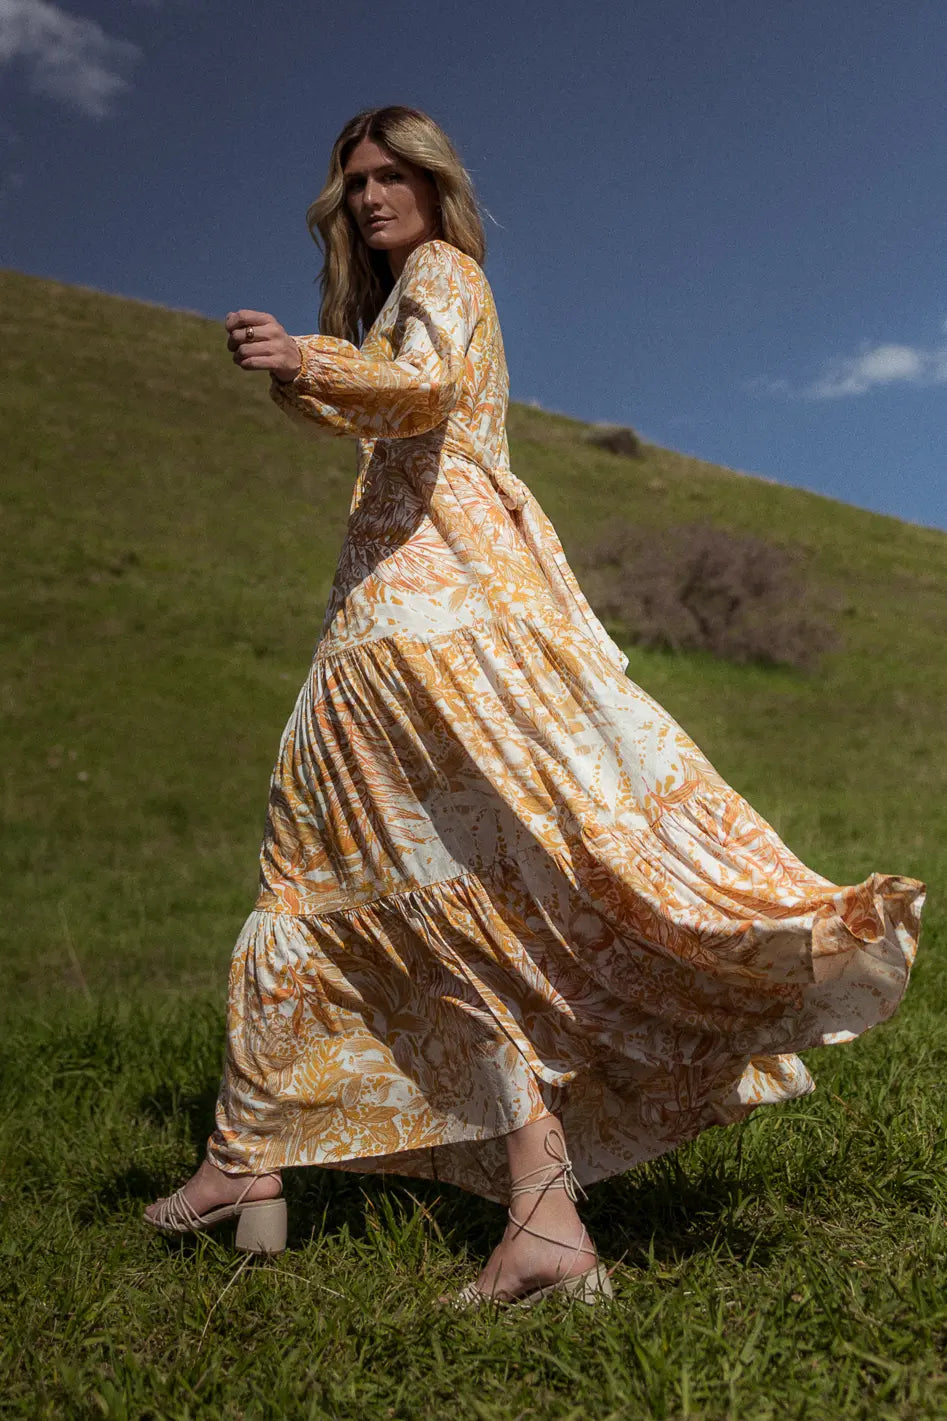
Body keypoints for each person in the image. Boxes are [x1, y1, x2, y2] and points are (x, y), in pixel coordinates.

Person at [145, 106, 925, 1308]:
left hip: (420, 621)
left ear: (435, 186)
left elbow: (420, 389)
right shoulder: (408, 289)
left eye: (392, 173)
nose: (368, 195)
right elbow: (393, 399)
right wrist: (316, 375)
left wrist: (309, 359)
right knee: (421, 898)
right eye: (353, 179)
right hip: (410, 617)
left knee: (334, 877)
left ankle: (250, 1165)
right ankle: (487, 1205)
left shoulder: (445, 273)